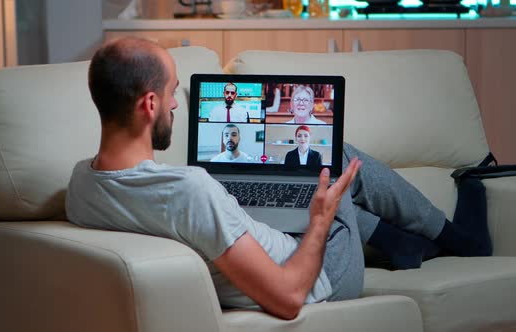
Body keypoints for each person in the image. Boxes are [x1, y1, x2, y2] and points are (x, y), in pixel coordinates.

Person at [66, 37, 492, 320]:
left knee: (310, 177)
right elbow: (288, 299)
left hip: (261, 247)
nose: (177, 106)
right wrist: (321, 221)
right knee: (335, 157)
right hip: (320, 275)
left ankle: (401, 243)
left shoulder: (81, 186)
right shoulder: (190, 191)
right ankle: (463, 240)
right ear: (150, 103)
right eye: (174, 93)